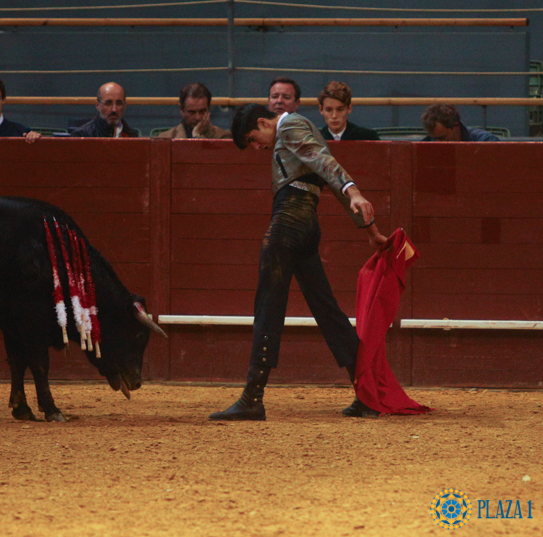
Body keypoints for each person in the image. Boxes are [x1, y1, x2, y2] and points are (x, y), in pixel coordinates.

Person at [209, 103, 387, 422]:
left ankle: (252, 397)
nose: (258, 147)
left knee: (268, 306)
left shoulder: (290, 127)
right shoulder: (300, 130)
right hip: (306, 224)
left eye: (253, 138)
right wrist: (369, 229)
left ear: (264, 122)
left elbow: (325, 164)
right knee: (326, 308)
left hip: (289, 222)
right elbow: (326, 174)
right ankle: (366, 394)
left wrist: (355, 192)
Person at [157, 83, 231, 139]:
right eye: (192, 112)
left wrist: (197, 135)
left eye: (202, 111)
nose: (197, 118)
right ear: (181, 109)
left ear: (208, 109)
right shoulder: (165, 138)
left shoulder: (223, 137)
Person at [70, 82, 138, 138]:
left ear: (124, 106)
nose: (114, 109)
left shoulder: (132, 135)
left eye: (119, 103)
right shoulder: (81, 136)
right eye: (108, 103)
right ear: (97, 105)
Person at [421, 104, 499, 141]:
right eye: (434, 139)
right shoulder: (425, 144)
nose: (437, 143)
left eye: (442, 138)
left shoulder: (485, 141)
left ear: (456, 127)